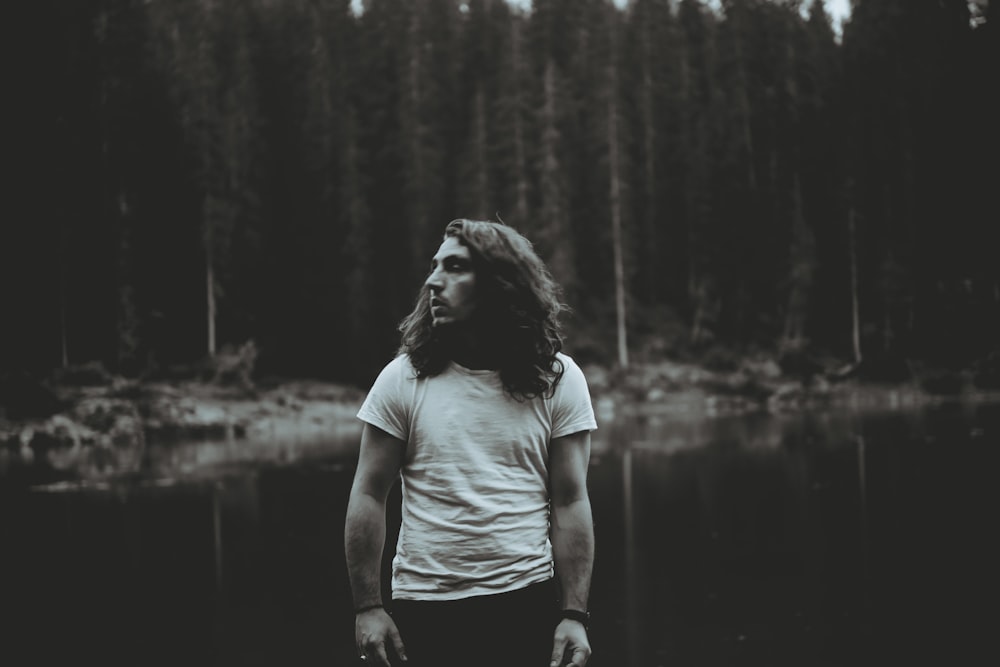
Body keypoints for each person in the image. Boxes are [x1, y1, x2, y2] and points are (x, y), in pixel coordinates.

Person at [345, 219, 597, 667]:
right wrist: (368, 606)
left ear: (502, 283)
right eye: (434, 266)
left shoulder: (557, 380)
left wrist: (574, 613)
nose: (432, 281)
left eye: (455, 267)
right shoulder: (403, 378)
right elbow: (368, 493)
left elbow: (571, 500)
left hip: (525, 603)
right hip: (425, 610)